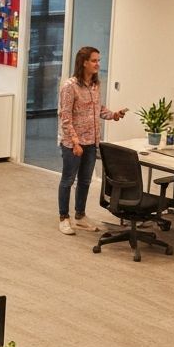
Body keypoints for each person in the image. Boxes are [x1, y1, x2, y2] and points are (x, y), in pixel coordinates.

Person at [57, 46, 126, 236]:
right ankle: (64, 218)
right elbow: (65, 116)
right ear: (84, 63)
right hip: (73, 144)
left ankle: (80, 216)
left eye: (98, 60)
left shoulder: (95, 85)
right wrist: (75, 142)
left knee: (85, 180)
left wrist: (113, 115)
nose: (97, 64)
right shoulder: (70, 86)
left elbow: (97, 109)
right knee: (68, 180)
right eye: (94, 61)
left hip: (91, 141)